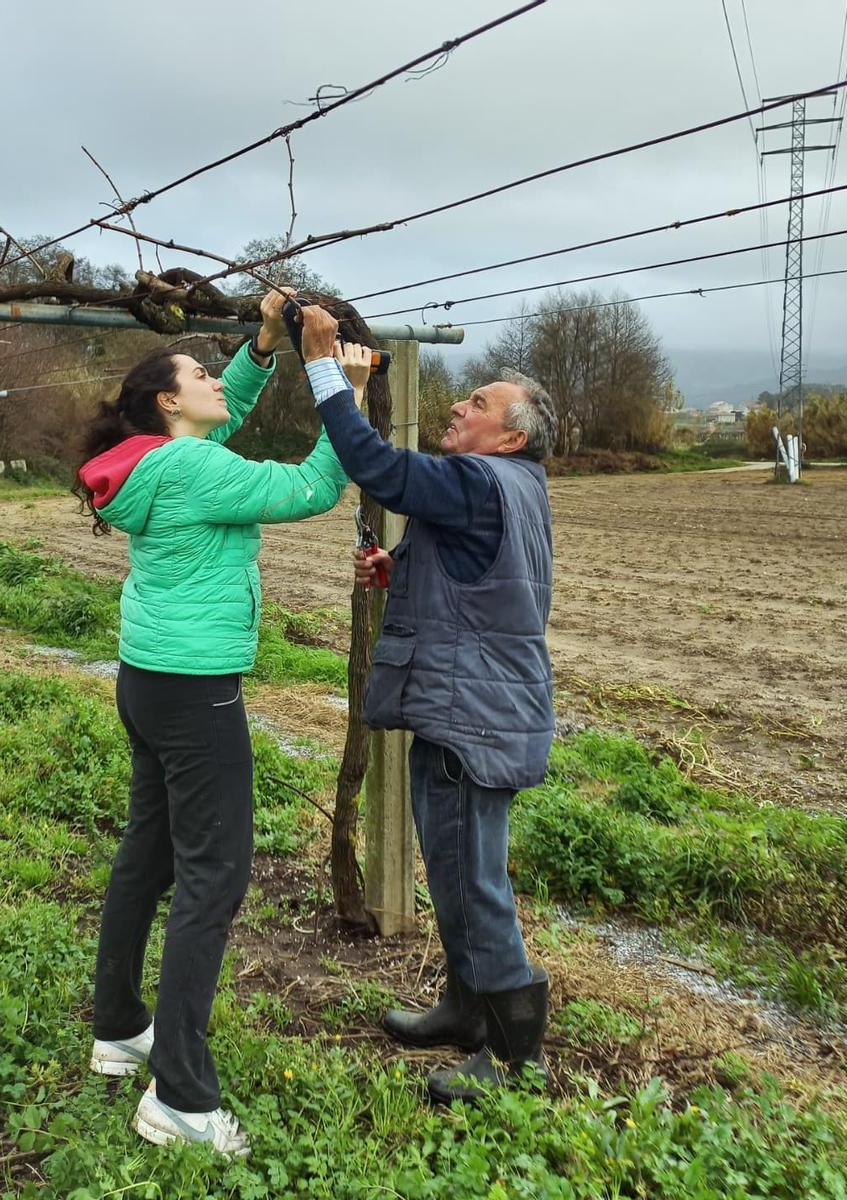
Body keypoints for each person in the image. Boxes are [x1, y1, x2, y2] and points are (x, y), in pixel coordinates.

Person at [74, 290, 349, 1156]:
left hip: (148, 678)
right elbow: (311, 487)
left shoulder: (158, 463)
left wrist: (262, 349)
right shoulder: (191, 467)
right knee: (214, 879)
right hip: (197, 693)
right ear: (167, 400)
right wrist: (338, 380)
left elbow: (219, 426)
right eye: (201, 374)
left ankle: (120, 1027)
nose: (214, 382)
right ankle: (181, 1096)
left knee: (149, 853)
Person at [297, 306, 559, 1106]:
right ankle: (464, 1012)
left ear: (511, 435)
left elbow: (383, 469)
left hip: (471, 717)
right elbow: (478, 580)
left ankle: (514, 1061)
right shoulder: (513, 486)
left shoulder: (481, 480)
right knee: (456, 873)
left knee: (471, 880)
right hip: (482, 707)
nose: (458, 406)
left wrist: (322, 370)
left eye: (476, 403)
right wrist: (395, 570)